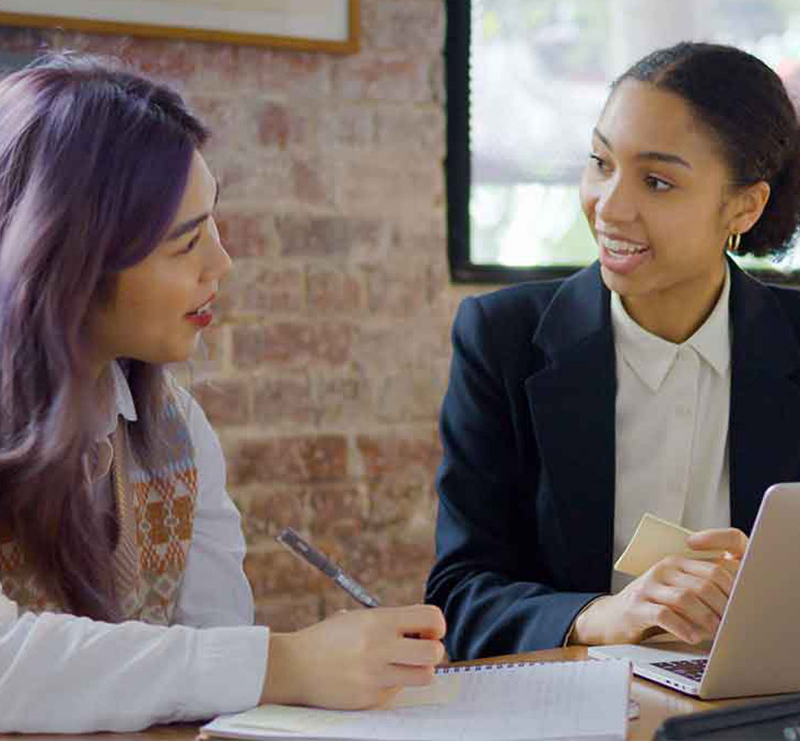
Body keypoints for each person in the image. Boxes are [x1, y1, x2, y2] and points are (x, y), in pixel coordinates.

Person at [0, 53, 445, 733]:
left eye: (212, 221)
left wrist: (274, 667)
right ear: (73, 261)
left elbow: (213, 650)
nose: (222, 261)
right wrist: (287, 664)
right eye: (184, 243)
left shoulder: (174, 426)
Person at [426, 41, 800, 661]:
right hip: (571, 711)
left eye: (656, 181)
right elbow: (459, 595)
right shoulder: (502, 339)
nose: (610, 206)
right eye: (601, 163)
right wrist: (605, 615)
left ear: (743, 205)